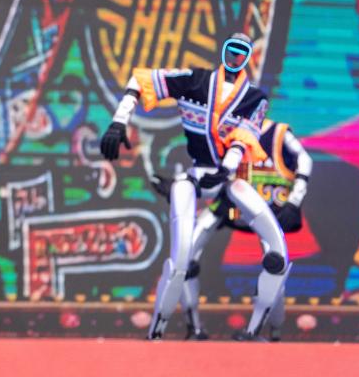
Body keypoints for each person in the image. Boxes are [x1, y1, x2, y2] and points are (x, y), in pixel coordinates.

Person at [100, 33, 287, 340]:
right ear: (224, 51)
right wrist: (119, 120)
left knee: (277, 249)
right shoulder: (195, 81)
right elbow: (142, 80)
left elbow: (243, 139)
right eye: (232, 50)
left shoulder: (255, 99)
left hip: (230, 180)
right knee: (183, 255)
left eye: (242, 53)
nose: (236, 58)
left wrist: (226, 169)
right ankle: (161, 330)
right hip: (195, 177)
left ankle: (260, 329)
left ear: (248, 57)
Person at [177, 118, 313, 340]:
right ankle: (194, 327)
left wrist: (294, 201)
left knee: (275, 262)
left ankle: (268, 331)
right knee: (188, 251)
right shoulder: (226, 130)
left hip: (269, 206)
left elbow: (304, 160)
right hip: (230, 201)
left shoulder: (277, 132)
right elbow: (209, 167)